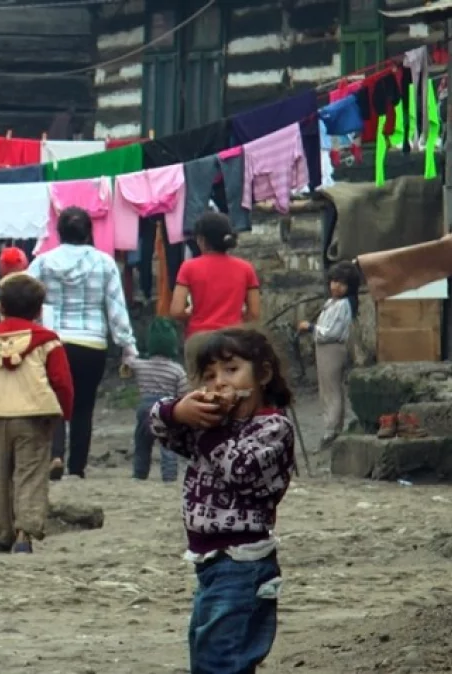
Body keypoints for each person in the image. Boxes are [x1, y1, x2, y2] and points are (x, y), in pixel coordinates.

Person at [148, 328, 296, 674]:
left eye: (231, 371)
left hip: (244, 563)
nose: (219, 383)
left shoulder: (272, 428)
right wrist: (179, 412)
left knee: (223, 660)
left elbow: (242, 471)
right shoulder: (210, 428)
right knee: (205, 652)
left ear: (262, 374)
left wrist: (213, 431)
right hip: (210, 561)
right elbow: (159, 428)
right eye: (211, 375)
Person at [0, 273, 75, 553]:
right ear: (38, 310)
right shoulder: (47, 341)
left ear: (1, 306)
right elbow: (61, 380)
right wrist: (63, 412)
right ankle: (25, 532)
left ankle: (3, 532)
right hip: (34, 417)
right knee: (31, 475)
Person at [27, 206, 137, 481]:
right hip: (92, 345)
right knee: (83, 406)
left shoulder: (41, 262)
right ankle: (77, 467)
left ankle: (55, 455)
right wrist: (127, 346)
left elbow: (22, 295)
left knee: (53, 401)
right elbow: (116, 309)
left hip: (52, 343)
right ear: (89, 231)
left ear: (59, 232)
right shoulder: (105, 263)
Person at [169, 213, 262, 374]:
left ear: (202, 240)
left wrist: (193, 315)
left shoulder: (189, 267)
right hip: (234, 338)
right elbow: (254, 313)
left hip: (199, 339)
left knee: (200, 391)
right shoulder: (246, 268)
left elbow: (176, 310)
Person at [298, 261, 360, 445]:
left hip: (332, 348)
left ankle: (332, 429)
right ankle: (332, 426)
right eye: (333, 281)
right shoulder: (332, 302)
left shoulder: (343, 305)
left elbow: (330, 332)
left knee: (331, 389)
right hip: (324, 348)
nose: (336, 286)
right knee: (327, 388)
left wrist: (310, 327)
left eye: (341, 283)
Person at [123, 317, 188, 482]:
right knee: (169, 445)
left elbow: (128, 363)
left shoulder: (141, 366)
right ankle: (169, 475)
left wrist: (130, 352)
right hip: (167, 410)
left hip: (144, 410)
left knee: (142, 444)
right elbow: (183, 394)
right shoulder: (177, 370)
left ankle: (139, 473)